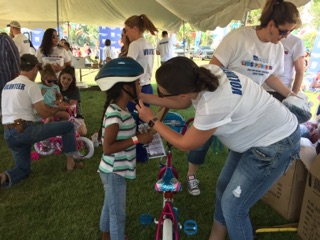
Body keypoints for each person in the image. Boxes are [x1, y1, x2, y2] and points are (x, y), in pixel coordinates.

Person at [136, 56, 300, 240]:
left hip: (274, 143)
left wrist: (152, 120)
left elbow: (185, 143)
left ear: (182, 92)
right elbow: (185, 102)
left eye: (162, 94)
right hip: (256, 136)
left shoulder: (213, 105)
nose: (160, 96)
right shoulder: (204, 73)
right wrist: (141, 96)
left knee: (234, 207)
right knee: (224, 187)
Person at [186, 0, 302, 196]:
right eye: (283, 31)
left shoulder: (276, 48)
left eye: (290, 32)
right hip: (219, 102)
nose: (286, 36)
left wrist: (291, 95)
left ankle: (232, 186)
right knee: (199, 142)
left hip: (246, 109)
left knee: (240, 144)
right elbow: (213, 69)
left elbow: (270, 77)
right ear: (271, 24)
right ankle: (191, 175)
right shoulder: (238, 38)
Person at [95, 57, 154, 240]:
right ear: (124, 87)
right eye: (137, 82)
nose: (140, 85)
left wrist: (142, 133)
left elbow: (124, 135)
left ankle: (106, 233)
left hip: (114, 170)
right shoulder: (115, 113)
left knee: (109, 204)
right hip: (114, 171)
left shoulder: (123, 109)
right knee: (117, 214)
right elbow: (108, 148)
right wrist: (137, 139)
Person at [0, 54, 78, 189]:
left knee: (23, 169)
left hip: (8, 134)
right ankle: (70, 163)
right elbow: (44, 113)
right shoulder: (31, 85)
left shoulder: (7, 85)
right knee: (68, 126)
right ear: (35, 68)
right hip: (25, 131)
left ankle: (4, 177)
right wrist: (58, 108)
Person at [124, 14, 157, 163]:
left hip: (136, 89)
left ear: (134, 28)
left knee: (131, 120)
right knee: (143, 120)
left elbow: (129, 68)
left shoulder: (135, 44)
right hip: (148, 87)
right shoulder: (149, 45)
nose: (126, 34)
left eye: (127, 30)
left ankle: (133, 153)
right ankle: (142, 154)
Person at [263, 33, 305, 102]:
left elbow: (300, 71)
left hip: (282, 91)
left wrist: (293, 97)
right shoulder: (264, 37)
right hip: (260, 87)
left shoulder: (296, 42)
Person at [58, 65, 88, 136]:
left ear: (72, 80)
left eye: (69, 79)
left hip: (75, 116)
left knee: (82, 132)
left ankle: (81, 126)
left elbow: (72, 107)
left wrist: (59, 103)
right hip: (60, 114)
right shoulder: (55, 88)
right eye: (64, 78)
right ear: (60, 77)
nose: (65, 81)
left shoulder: (75, 90)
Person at [0, 33, 20, 116]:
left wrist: (15, 81)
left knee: (9, 107)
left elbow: (16, 59)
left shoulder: (5, 40)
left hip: (7, 81)